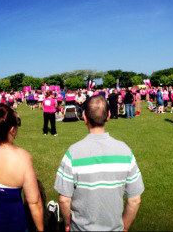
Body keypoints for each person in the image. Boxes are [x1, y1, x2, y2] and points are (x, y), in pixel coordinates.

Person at [55, 96, 144, 231]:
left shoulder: (73, 153)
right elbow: (135, 199)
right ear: (108, 115)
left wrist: (68, 223)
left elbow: (64, 200)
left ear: (84, 117)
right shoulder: (125, 151)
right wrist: (125, 227)